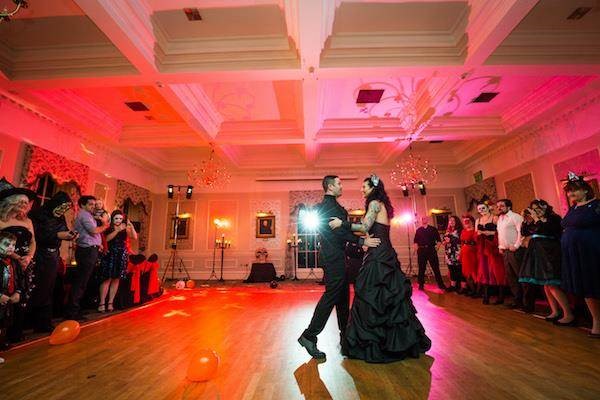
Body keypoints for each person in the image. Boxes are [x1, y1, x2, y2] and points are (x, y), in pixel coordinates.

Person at [329, 175, 431, 363]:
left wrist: (341, 224)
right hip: (381, 251)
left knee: (374, 294)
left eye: (364, 187)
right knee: (381, 295)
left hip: (380, 254)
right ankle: (389, 340)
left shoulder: (375, 203)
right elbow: (370, 230)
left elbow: (365, 225)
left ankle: (377, 342)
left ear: (373, 189)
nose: (362, 190)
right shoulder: (378, 203)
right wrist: (365, 241)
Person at [298, 175, 381, 360]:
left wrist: (360, 235)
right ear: (330, 186)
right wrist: (362, 240)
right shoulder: (331, 207)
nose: (341, 186)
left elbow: (342, 232)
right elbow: (340, 234)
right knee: (332, 295)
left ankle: (346, 338)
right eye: (339, 183)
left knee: (343, 297)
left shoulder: (327, 207)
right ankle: (309, 336)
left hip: (335, 256)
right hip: (333, 256)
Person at [28, 191, 77, 332]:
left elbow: (64, 231)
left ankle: (43, 323)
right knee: (37, 288)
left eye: (65, 208)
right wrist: (56, 234)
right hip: (39, 254)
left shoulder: (60, 218)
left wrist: (70, 235)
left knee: (49, 289)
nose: (62, 211)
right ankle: (29, 322)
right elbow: (35, 235)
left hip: (53, 256)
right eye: (61, 207)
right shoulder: (39, 215)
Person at [519, 199, 573, 324]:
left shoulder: (553, 218)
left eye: (538, 207)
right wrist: (526, 220)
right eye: (533, 208)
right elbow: (525, 232)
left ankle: (568, 313)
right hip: (538, 254)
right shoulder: (535, 220)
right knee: (545, 284)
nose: (536, 210)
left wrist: (537, 220)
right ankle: (555, 311)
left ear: (545, 207)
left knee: (552, 284)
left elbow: (548, 230)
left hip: (550, 253)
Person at [560, 173, 600, 338]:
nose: (570, 194)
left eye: (574, 191)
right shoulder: (573, 208)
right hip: (575, 255)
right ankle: (597, 320)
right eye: (569, 192)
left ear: (585, 190)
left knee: (595, 283)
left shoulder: (597, 205)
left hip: (593, 252)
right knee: (586, 287)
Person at [0, 178, 37, 343]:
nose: (25, 204)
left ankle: (14, 334)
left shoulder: (28, 221)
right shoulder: (2, 219)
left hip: (25, 263)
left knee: (21, 297)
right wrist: (16, 257)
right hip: (5, 262)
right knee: (5, 297)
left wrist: (29, 257)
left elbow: (33, 242)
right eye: (21, 201)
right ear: (12, 202)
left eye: (26, 202)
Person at [65, 195, 110, 320]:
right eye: (90, 204)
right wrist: (105, 225)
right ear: (82, 205)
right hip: (86, 251)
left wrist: (99, 243)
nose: (93, 206)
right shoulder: (84, 215)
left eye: (94, 204)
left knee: (83, 282)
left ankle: (76, 309)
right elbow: (94, 230)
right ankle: (72, 312)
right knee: (80, 282)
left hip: (90, 250)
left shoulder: (89, 215)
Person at [98, 210, 137, 312]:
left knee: (116, 279)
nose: (118, 221)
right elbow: (106, 239)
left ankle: (110, 302)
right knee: (107, 278)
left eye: (120, 219)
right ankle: (102, 303)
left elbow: (134, 237)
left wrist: (131, 226)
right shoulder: (108, 227)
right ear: (112, 219)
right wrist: (117, 230)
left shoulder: (124, 229)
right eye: (116, 218)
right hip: (110, 254)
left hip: (121, 255)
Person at [496, 199, 525, 309]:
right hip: (506, 251)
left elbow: (521, 232)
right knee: (511, 277)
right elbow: (501, 235)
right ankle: (517, 300)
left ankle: (526, 302)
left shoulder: (515, 217)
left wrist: (516, 245)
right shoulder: (500, 219)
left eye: (502, 206)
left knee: (520, 276)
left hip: (515, 250)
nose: (499, 208)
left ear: (508, 207)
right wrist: (500, 246)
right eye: (498, 206)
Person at [475, 201, 505, 305]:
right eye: (479, 209)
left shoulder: (495, 218)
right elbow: (476, 234)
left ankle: (501, 296)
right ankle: (486, 295)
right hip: (482, 247)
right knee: (484, 270)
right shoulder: (477, 220)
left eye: (483, 208)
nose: (481, 211)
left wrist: (488, 233)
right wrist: (480, 234)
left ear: (488, 208)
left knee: (496, 270)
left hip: (493, 246)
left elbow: (500, 232)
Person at [414, 216, 447, 291]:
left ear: (427, 220)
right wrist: (416, 248)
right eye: (422, 219)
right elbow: (415, 241)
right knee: (421, 269)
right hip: (422, 250)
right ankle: (421, 285)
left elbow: (438, 240)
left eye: (425, 218)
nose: (423, 220)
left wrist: (437, 248)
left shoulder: (433, 229)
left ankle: (441, 284)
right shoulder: (418, 230)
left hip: (431, 250)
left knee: (436, 268)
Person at [1, 231, 18, 362]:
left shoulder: (11, 262)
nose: (11, 247)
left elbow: (16, 279)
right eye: (7, 244)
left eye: (13, 244)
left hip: (7, 299)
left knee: (3, 325)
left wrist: (18, 291)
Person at [460, 215, 478, 297]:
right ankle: (472, 289)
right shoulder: (463, 231)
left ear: (472, 221)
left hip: (472, 253)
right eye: (465, 221)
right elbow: (462, 243)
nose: (466, 222)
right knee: (466, 272)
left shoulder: (475, 230)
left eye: (468, 220)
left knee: (473, 272)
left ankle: (477, 291)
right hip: (464, 253)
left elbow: (477, 242)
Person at [443, 215, 463, 293]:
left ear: (457, 221)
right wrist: (445, 242)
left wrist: (451, 240)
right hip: (449, 252)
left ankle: (461, 286)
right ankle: (453, 286)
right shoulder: (448, 230)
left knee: (459, 269)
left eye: (453, 220)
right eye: (450, 221)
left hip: (457, 251)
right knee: (451, 269)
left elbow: (461, 240)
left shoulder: (460, 230)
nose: (451, 222)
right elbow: (444, 241)